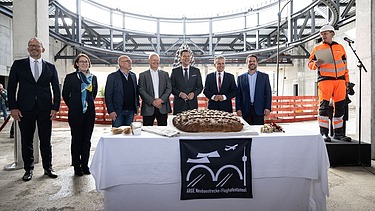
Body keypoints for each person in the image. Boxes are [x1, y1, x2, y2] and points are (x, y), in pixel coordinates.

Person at [7, 37, 61, 181]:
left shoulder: (50, 67)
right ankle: (28, 169)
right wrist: (13, 107)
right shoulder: (18, 65)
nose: (33, 48)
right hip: (25, 109)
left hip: (45, 109)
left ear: (42, 49)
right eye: (31, 45)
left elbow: (56, 89)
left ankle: (48, 168)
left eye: (36, 46)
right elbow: (11, 88)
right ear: (28, 48)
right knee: (27, 140)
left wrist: (55, 107)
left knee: (45, 140)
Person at [308, 25, 351, 142]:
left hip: (340, 82)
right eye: (322, 34)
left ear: (332, 33)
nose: (323, 36)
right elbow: (310, 65)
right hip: (325, 82)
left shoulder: (340, 47)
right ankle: (324, 133)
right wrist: (316, 64)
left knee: (340, 109)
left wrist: (347, 82)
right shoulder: (317, 48)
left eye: (325, 33)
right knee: (324, 108)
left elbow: (345, 66)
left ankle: (338, 133)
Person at [62, 53, 98, 176]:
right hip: (76, 113)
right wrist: (74, 105)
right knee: (77, 139)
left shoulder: (93, 78)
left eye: (86, 61)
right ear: (77, 64)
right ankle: (77, 166)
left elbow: (93, 94)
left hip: (89, 113)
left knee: (86, 140)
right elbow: (65, 95)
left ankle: (85, 165)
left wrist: (87, 105)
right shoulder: (71, 77)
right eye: (81, 61)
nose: (84, 63)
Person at [236, 54, 272, 125]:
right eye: (250, 61)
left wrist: (267, 107)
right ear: (247, 63)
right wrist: (238, 108)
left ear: (257, 63)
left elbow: (268, 93)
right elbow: (238, 95)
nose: (252, 63)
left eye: (254, 61)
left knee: (259, 131)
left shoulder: (264, 77)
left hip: (259, 109)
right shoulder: (241, 78)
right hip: (245, 109)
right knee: (246, 131)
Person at [138, 53, 172, 126]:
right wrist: (153, 101)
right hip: (148, 107)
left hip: (162, 106)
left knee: (163, 130)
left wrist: (161, 100)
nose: (156, 62)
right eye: (153, 60)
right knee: (147, 131)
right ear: (149, 61)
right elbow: (141, 90)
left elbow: (169, 88)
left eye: (157, 60)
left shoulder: (165, 74)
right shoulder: (142, 75)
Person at [105, 55, 139, 127]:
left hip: (131, 111)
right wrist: (111, 111)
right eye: (127, 61)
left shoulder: (133, 76)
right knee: (117, 134)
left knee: (128, 134)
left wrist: (137, 106)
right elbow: (108, 95)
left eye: (130, 61)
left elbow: (136, 92)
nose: (130, 63)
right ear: (121, 63)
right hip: (117, 112)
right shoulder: (112, 77)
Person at [170, 49, 203, 115]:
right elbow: (171, 87)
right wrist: (180, 94)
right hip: (179, 104)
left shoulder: (196, 71)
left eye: (188, 56)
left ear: (190, 58)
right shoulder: (175, 71)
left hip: (192, 105)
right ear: (180, 58)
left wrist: (194, 94)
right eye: (184, 56)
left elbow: (200, 87)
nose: (186, 58)